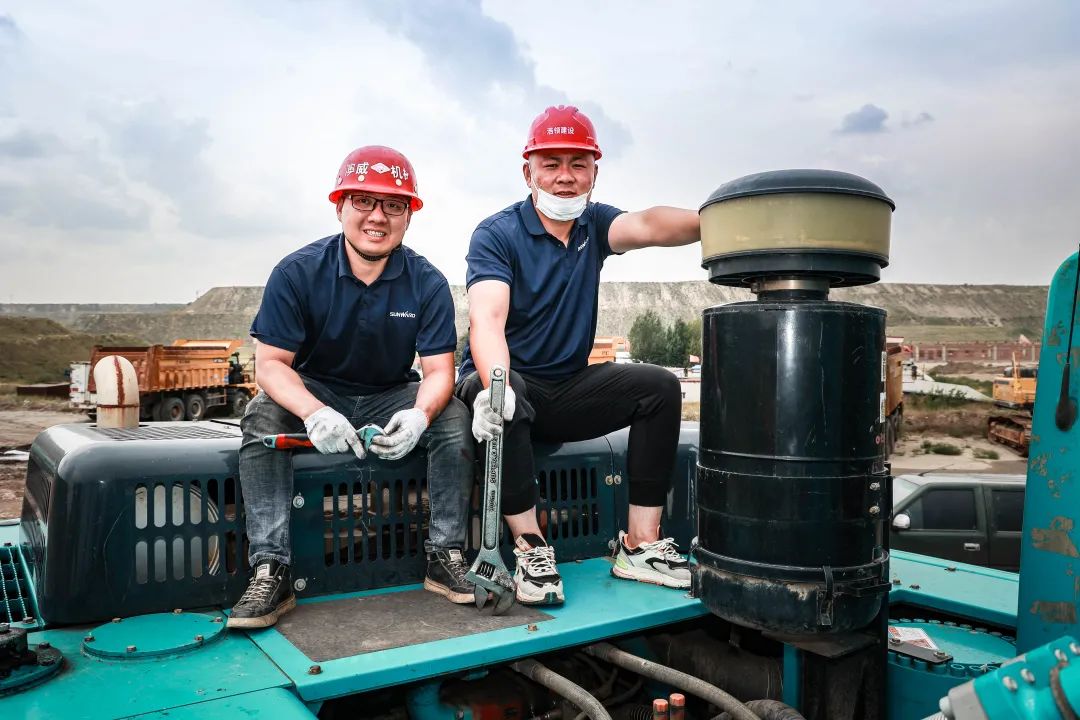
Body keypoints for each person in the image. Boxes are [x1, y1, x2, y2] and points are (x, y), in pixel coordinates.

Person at [456, 106, 700, 606]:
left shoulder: (594, 225)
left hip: (562, 389)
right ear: (529, 171)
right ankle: (529, 547)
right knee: (511, 389)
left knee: (658, 387)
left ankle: (640, 545)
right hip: (498, 388)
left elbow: (651, 224)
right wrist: (495, 385)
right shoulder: (497, 234)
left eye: (578, 163)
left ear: (594, 172)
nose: (565, 177)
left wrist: (729, 221)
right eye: (551, 163)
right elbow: (487, 320)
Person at [229, 146, 475, 629]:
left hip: (390, 393)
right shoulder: (297, 273)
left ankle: (445, 554)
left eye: (394, 205)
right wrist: (314, 411)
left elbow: (440, 373)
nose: (377, 217)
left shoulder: (426, 283)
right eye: (363, 200)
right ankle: (270, 566)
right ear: (338, 205)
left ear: (409, 216)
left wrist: (421, 414)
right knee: (261, 417)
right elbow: (272, 365)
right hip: (316, 388)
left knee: (453, 420)